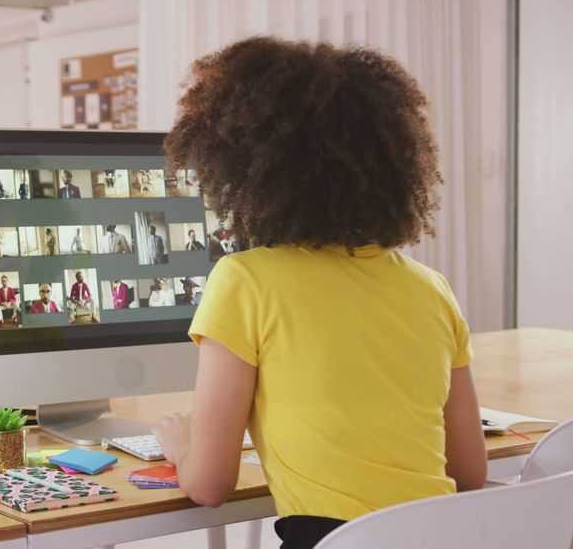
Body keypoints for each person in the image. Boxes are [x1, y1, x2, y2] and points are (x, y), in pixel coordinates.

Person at [151, 37, 485, 549]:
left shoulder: (246, 280)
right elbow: (469, 472)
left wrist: (182, 447)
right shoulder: (431, 288)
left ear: (244, 171)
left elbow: (210, 485)